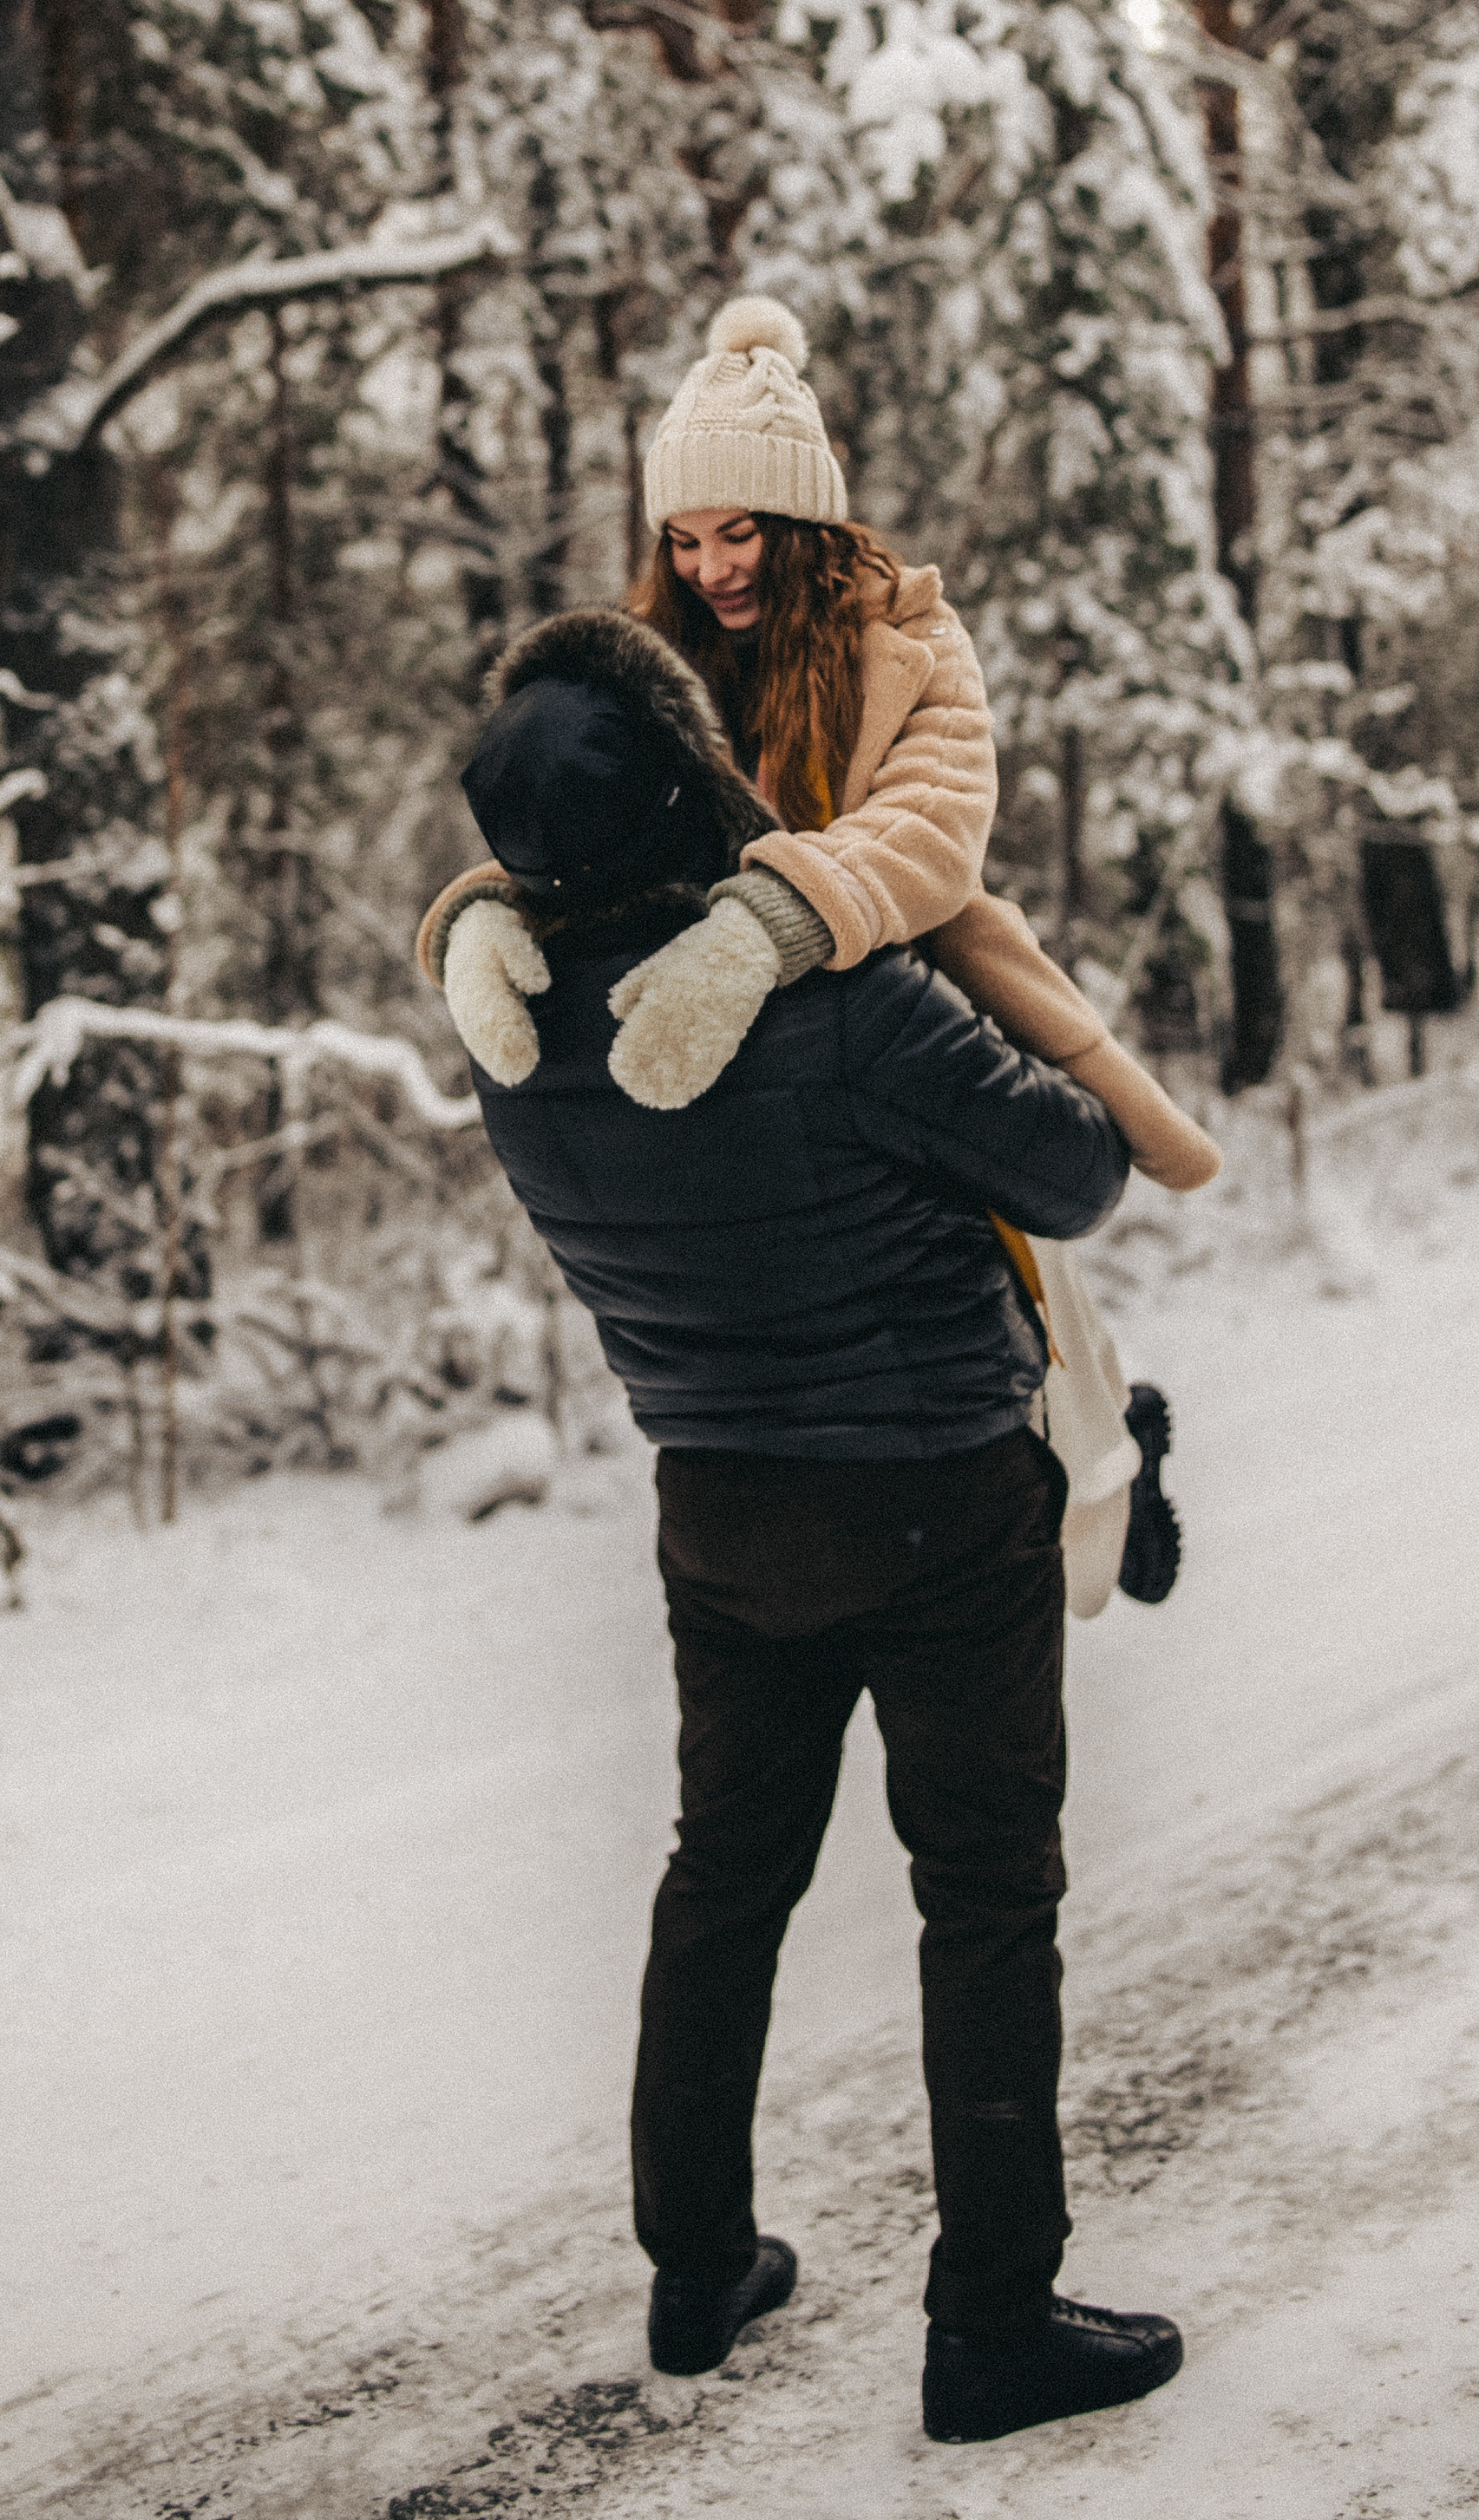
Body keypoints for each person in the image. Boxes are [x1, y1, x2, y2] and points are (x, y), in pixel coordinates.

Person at [448, 600, 1186, 2447]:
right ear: (690, 786)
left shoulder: (511, 1039)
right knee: (985, 1896)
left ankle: (696, 2268)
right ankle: (991, 2323)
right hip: (936, 1498)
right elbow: (1074, 1173)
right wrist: (981, 988)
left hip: (718, 1510)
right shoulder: (837, 1006)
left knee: (723, 1884)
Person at [416, 299, 1224, 1196]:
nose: (709, 568)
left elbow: (934, 825)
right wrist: (484, 910)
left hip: (910, 1020)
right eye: (683, 541)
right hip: (712, 1056)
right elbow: (588, 818)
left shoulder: (910, 641)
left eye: (738, 533)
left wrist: (765, 926)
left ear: (801, 524)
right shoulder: (647, 658)